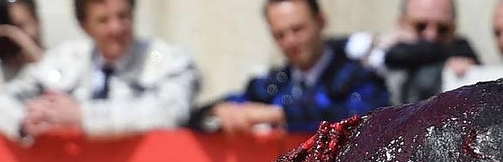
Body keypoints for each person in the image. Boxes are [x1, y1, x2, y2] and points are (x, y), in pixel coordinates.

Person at [0, 0, 198, 145]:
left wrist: (82, 116)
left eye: (122, 16)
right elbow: (3, 102)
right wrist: (26, 121)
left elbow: (168, 113)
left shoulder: (169, 60)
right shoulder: (66, 59)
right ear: (85, 26)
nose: (116, 28)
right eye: (103, 20)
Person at [190, 0, 389, 135]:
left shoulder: (358, 77)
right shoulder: (273, 84)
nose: (290, 41)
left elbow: (362, 116)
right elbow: (196, 116)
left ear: (321, 22)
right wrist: (218, 112)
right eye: (280, 35)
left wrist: (280, 115)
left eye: (297, 29)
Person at [344, 0, 479, 106]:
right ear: (401, 25)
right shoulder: (374, 59)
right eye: (420, 26)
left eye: (443, 28)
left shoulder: (462, 53)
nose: (431, 35)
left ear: (454, 29)